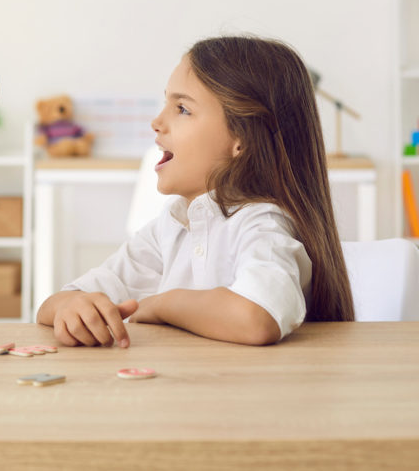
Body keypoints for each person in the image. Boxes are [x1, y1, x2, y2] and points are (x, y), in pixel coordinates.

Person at [37, 35, 354, 347]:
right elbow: (55, 303)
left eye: (182, 109)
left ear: (240, 138)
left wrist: (163, 303)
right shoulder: (172, 226)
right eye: (166, 103)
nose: (157, 122)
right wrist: (71, 307)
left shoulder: (263, 224)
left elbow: (256, 319)